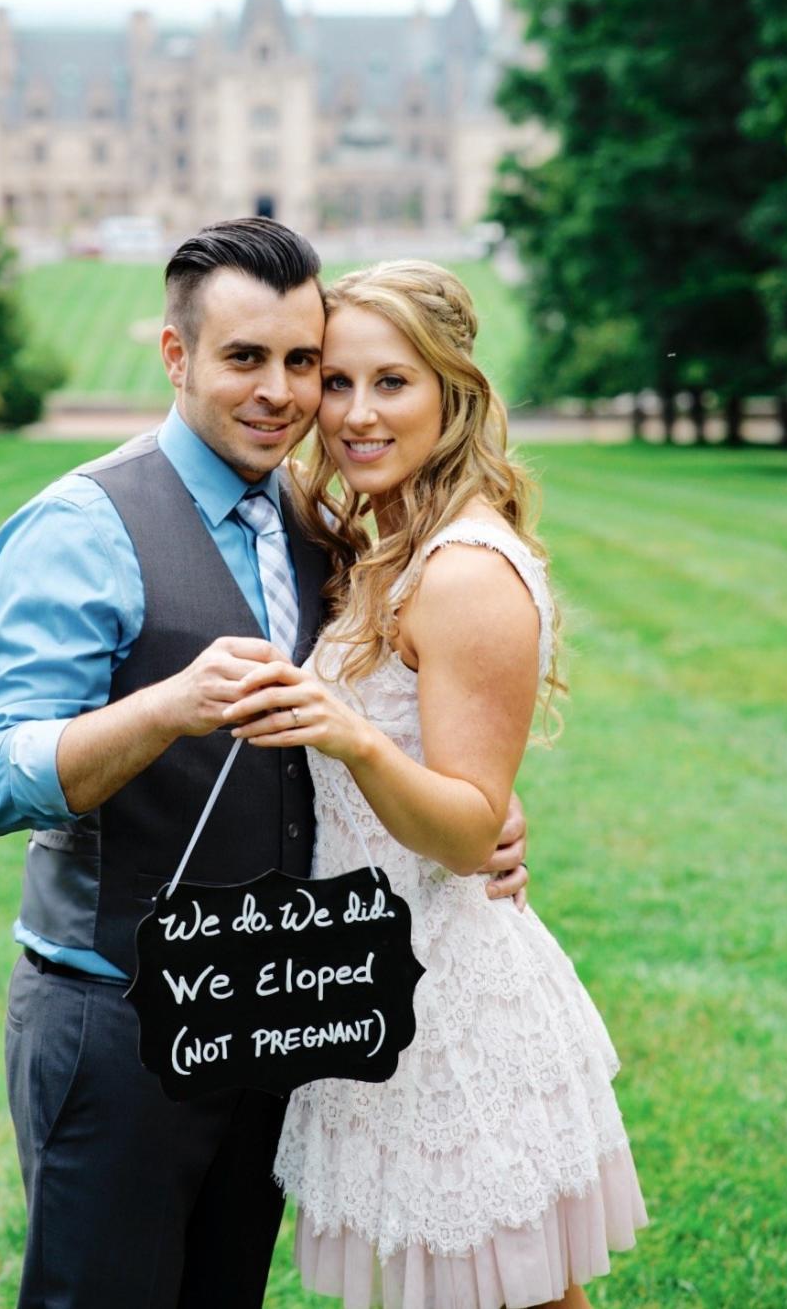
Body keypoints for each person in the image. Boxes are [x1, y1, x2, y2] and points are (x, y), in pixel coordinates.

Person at [0, 219, 529, 1309]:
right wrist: (166, 708)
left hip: (271, 1011)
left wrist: (484, 809)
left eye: (300, 362)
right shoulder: (84, 523)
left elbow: (404, 707)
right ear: (178, 358)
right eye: (243, 358)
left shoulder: (319, 522)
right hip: (115, 1014)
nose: (280, 392)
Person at [224, 260, 648, 1309]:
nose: (356, 414)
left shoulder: (461, 569)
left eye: (394, 383)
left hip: (447, 998)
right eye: (339, 382)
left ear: (452, 392)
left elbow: (464, 831)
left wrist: (358, 743)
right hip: (378, 973)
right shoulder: (388, 543)